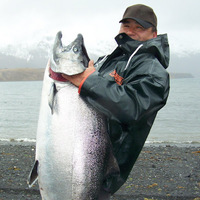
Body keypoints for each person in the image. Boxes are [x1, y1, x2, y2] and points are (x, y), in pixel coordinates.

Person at [62, 4, 170, 199]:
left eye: (140, 27)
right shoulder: (108, 60)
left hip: (102, 169)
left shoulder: (153, 70)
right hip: (76, 155)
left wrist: (87, 81)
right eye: (127, 25)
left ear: (154, 34)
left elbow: (133, 107)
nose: (131, 31)